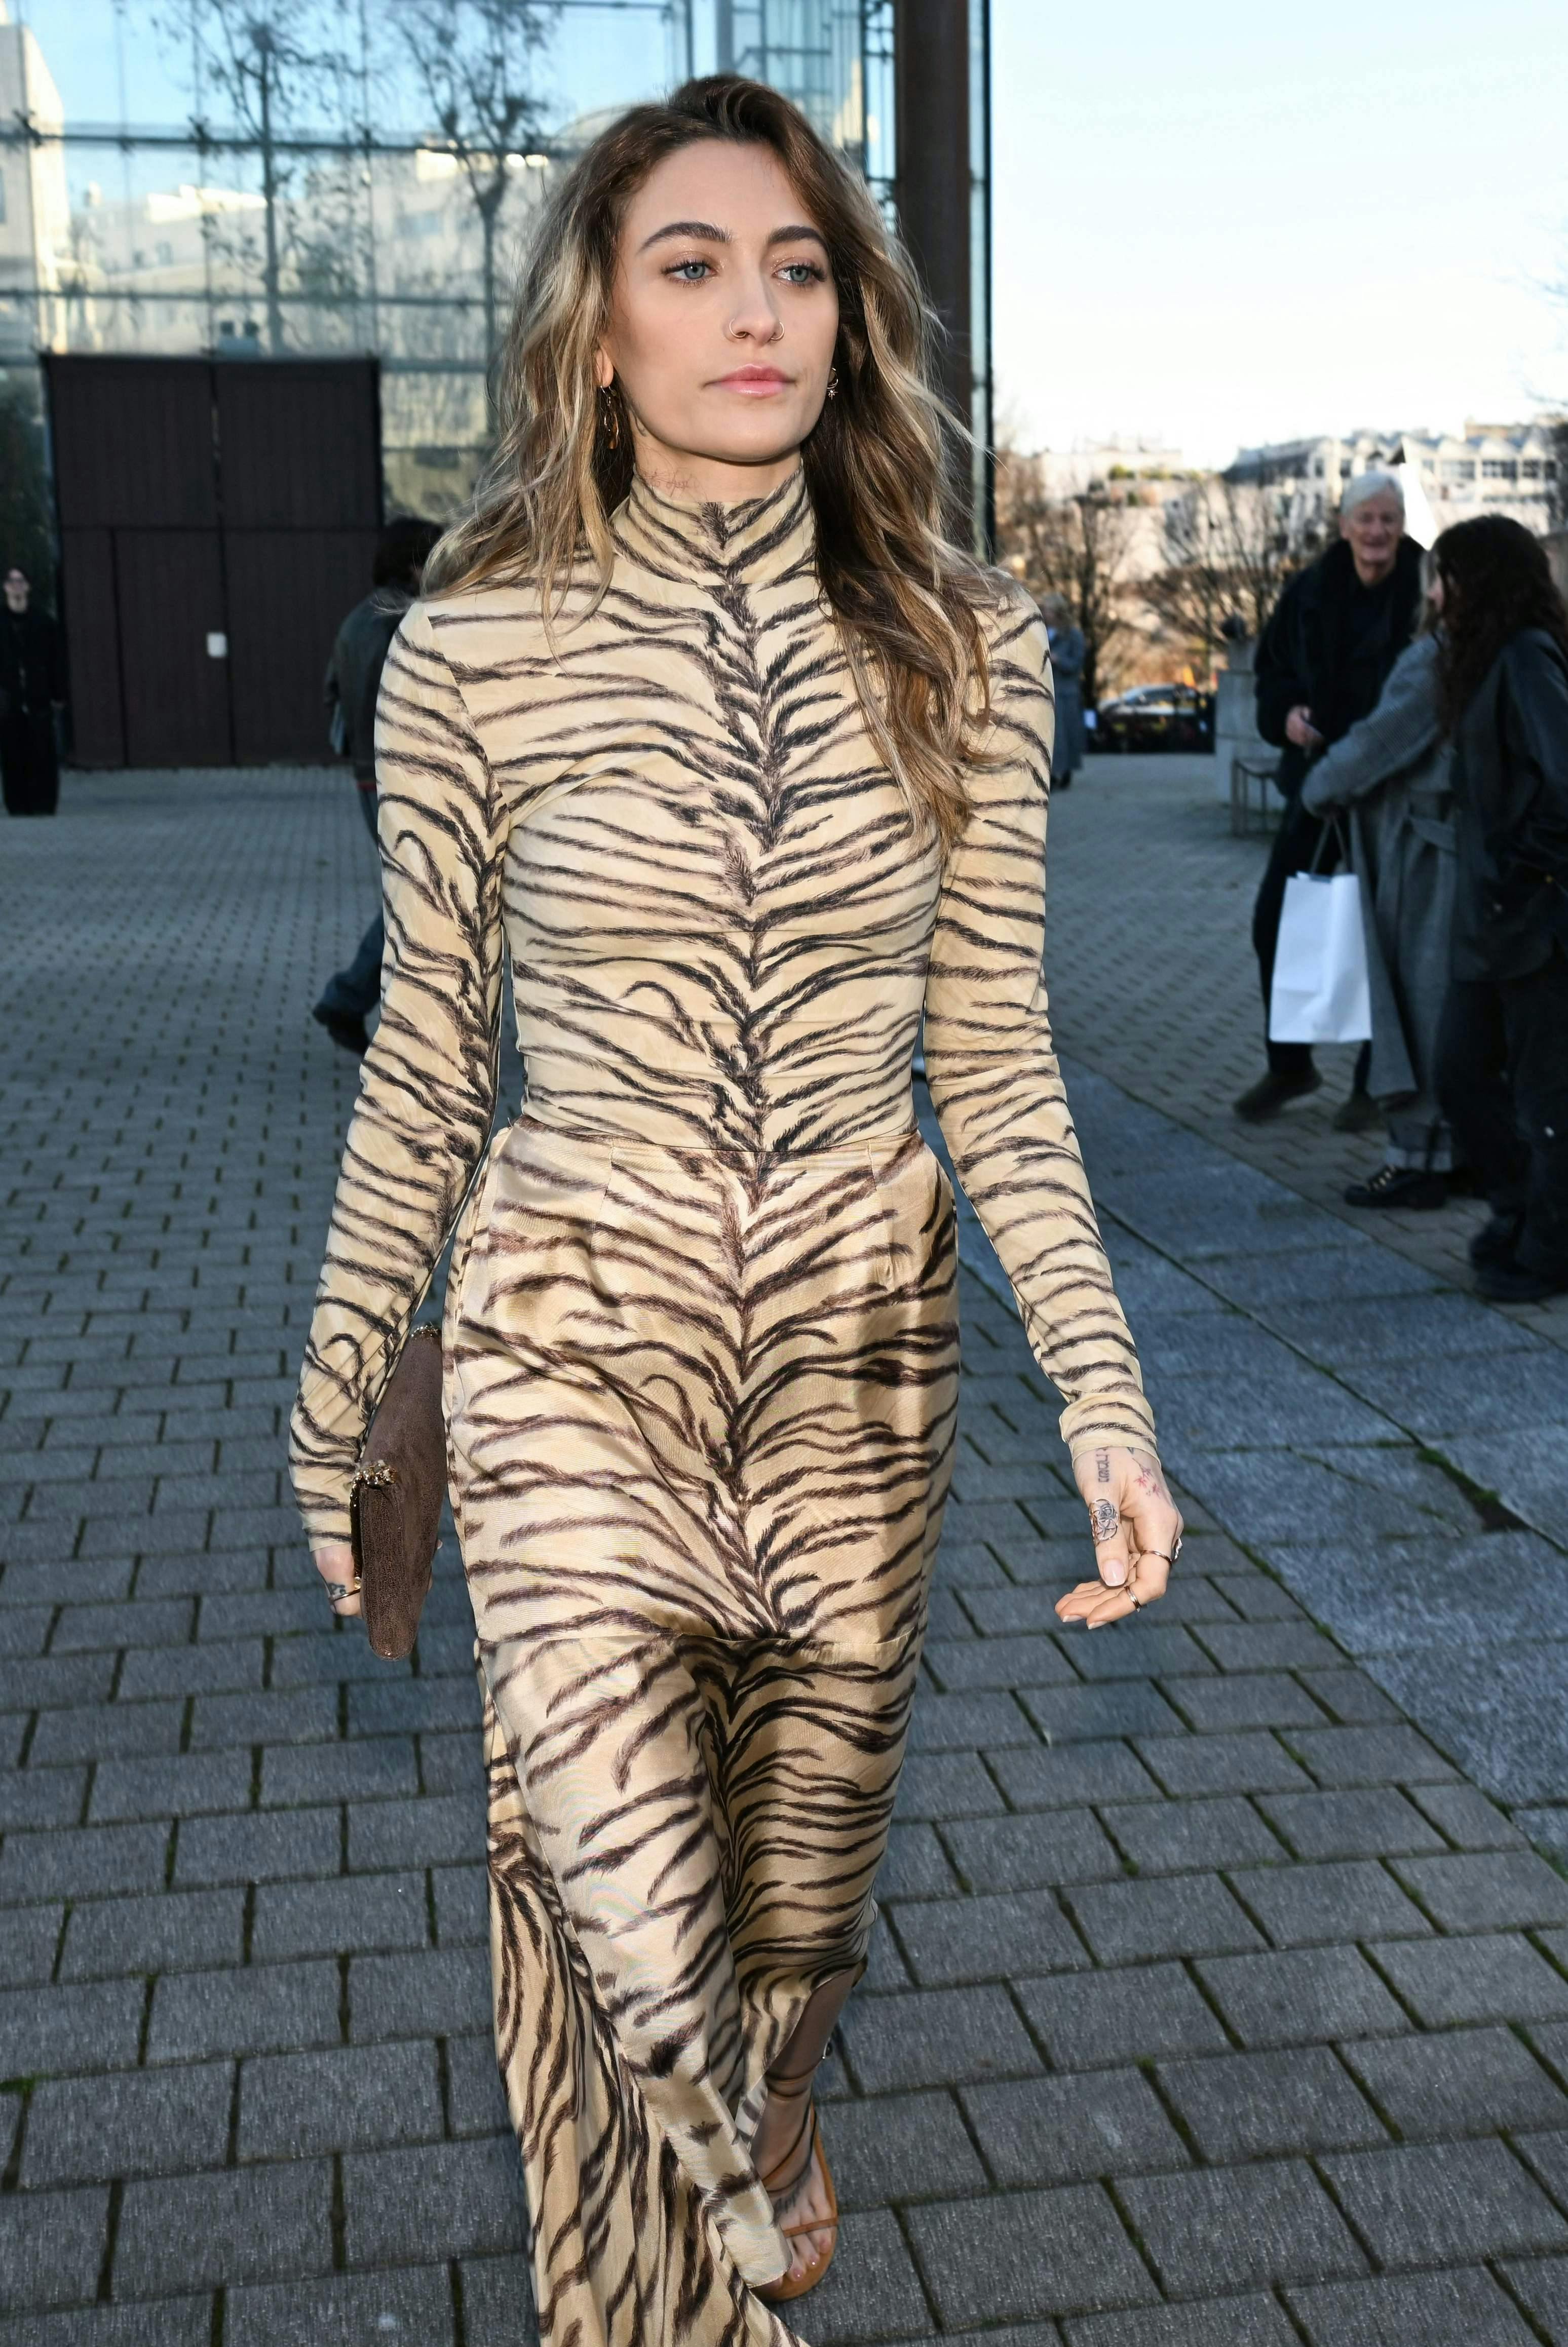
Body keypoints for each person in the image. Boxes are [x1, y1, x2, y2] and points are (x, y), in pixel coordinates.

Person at [290, 75, 1181, 2345]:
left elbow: (990, 1056)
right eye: (689, 263)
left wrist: (1103, 1387)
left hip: (858, 1379)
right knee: (632, 1937)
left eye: (796, 265)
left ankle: (761, 2130)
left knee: (783, 1956)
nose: (754, 309)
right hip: (565, 1348)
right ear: (596, 325)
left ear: (853, 313)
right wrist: (332, 1392)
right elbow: (422, 1057)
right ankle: (703, 2246)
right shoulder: (473, 642)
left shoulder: (969, 645)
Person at [1235, 473, 1424, 1123]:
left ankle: (1378, 1080)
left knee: (1387, 934)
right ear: (1343, 525)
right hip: (1318, 784)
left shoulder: (1426, 587)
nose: (1377, 532)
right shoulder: (1308, 591)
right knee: (1278, 921)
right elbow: (1272, 677)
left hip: (1397, 789)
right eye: (1366, 519)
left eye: (1389, 519)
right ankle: (1290, 1066)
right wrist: (1286, 715)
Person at [1433, 515, 1568, 1302]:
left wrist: (1520, 877)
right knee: (1458, 1075)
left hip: (1533, 925)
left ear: (1478, 580)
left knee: (1544, 1095)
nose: (1435, 592)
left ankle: (1546, 1249)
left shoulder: (1523, 655)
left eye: (1445, 574)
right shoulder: (1480, 659)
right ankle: (1521, 1215)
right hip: (1489, 925)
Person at [1300, 562, 1457, 1209]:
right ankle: (1459, 1152)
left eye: (1441, 576)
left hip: (1425, 855)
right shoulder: (1522, 646)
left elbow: (1376, 742)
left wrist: (1320, 785)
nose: (1429, 590)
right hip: (1468, 857)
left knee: (1417, 1006)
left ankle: (1417, 1159)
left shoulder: (1439, 659)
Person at [311, 517, 441, 1055]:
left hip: (370, 775)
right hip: (411, 776)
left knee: (415, 893)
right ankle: (348, 999)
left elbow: (331, 694)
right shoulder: (411, 620)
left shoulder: (354, 621)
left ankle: (354, 1001)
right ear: (415, 563)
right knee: (419, 896)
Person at [1, 565, 67, 818]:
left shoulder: (44, 623)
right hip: (9, 700)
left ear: (27, 587)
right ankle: (17, 805)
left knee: (43, 752)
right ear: (5, 587)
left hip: (39, 697)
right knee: (12, 753)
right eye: (12, 581)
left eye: (21, 581)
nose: (17, 586)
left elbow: (57, 660)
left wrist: (58, 693)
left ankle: (44, 804)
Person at [1040, 592, 1087, 787]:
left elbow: (1077, 664)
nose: (1046, 614)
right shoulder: (1043, 632)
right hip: (1048, 691)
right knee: (1050, 734)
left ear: (1059, 612)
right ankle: (1050, 773)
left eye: (1049, 610)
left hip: (1066, 693)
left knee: (1065, 735)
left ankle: (1065, 772)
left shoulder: (1073, 635)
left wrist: (1060, 660)